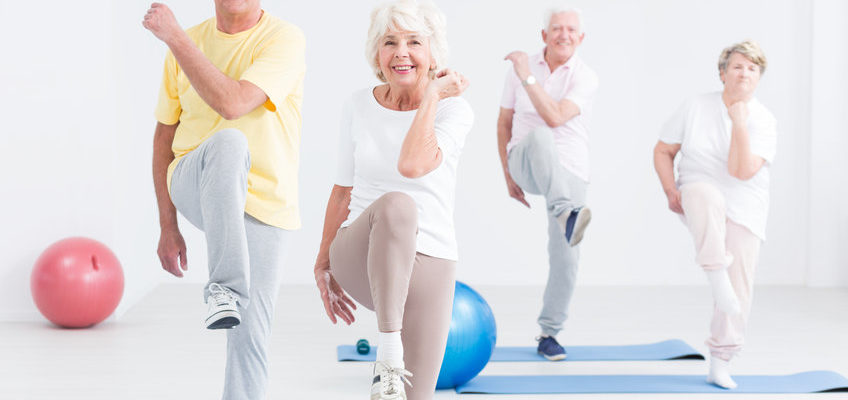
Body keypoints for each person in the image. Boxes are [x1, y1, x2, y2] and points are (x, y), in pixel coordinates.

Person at [144, 1, 305, 398]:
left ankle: (229, 298)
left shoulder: (284, 39)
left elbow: (233, 103)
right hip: (193, 179)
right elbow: (164, 136)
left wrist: (174, 37)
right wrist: (168, 226)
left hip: (265, 201)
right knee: (229, 143)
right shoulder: (187, 43)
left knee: (250, 337)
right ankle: (224, 287)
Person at [312, 1, 473, 398]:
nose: (401, 52)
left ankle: (392, 359)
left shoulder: (455, 111)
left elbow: (413, 163)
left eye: (414, 42)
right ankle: (388, 349)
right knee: (398, 205)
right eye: (390, 42)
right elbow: (342, 189)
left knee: (415, 396)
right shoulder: (358, 104)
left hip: (431, 260)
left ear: (433, 55)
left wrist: (432, 96)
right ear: (377, 55)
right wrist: (322, 262)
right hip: (362, 253)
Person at [653, 40, 775, 389]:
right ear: (722, 73)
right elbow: (663, 151)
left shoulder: (764, 120)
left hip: (746, 203)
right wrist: (668, 189)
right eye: (738, 66)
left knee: (740, 291)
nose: (745, 72)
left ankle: (720, 361)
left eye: (752, 68)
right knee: (705, 193)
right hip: (697, 191)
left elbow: (740, 171)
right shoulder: (695, 106)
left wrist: (738, 120)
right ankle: (715, 272)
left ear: (758, 78)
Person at [497, 7, 598, 361]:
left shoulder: (586, 77)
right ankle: (565, 212)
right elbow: (504, 121)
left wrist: (526, 76)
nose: (564, 35)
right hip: (526, 158)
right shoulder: (521, 68)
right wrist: (507, 173)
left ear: (580, 38)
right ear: (544, 35)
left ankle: (549, 334)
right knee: (540, 138)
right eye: (556, 29)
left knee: (566, 257)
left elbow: (556, 116)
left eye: (571, 30)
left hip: (570, 169)